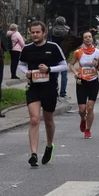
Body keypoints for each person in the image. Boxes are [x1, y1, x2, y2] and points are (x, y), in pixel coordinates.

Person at [18, 21, 68, 166]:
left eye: (37, 32)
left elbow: (64, 65)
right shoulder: (27, 49)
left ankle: (49, 145)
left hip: (50, 88)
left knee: (48, 121)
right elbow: (20, 64)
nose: (34, 35)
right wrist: (25, 72)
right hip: (33, 87)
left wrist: (49, 69)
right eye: (32, 32)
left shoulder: (53, 47)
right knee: (34, 119)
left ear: (44, 32)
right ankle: (33, 153)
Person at [70, 31, 99, 139]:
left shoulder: (98, 53)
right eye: (86, 37)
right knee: (81, 109)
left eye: (89, 37)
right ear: (83, 40)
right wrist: (76, 73)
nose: (88, 39)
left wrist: (97, 67)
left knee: (90, 107)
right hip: (81, 82)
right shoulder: (78, 52)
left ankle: (88, 130)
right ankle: (83, 119)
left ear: (92, 39)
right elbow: (71, 64)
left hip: (93, 82)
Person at [50, 16, 72, 98]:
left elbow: (49, 40)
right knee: (64, 74)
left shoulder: (52, 30)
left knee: (54, 74)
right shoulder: (67, 31)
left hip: (54, 53)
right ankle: (63, 93)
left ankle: (54, 91)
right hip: (64, 53)